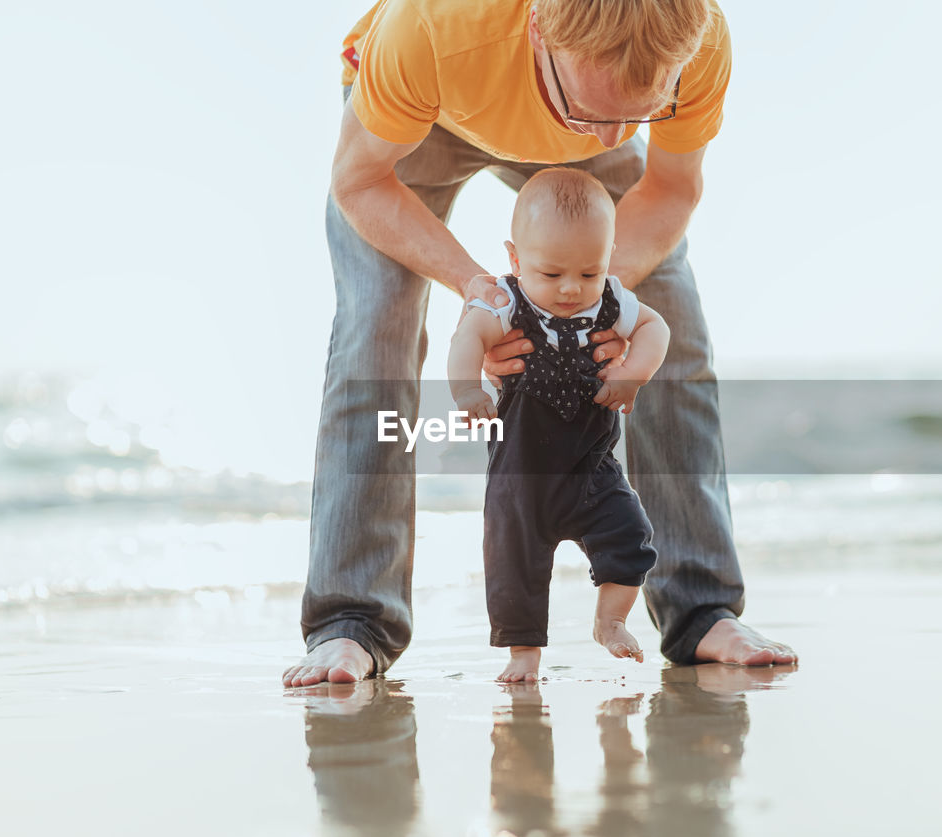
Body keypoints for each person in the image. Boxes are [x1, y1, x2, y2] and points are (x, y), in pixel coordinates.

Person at [282, 0, 798, 688]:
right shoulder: (437, 27)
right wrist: (483, 291)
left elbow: (671, 185)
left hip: (582, 89)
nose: (617, 134)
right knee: (378, 322)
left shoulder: (693, 40)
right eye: (597, 113)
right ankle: (351, 622)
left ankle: (701, 610)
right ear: (538, 30)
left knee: (665, 311)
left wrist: (595, 296)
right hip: (426, 115)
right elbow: (360, 180)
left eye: (640, 114)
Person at [449, 168, 669, 682]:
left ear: (607, 259)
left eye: (588, 273)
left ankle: (610, 622)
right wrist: (465, 390)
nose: (572, 289)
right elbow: (467, 339)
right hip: (521, 477)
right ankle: (523, 655)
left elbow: (656, 327)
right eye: (551, 275)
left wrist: (634, 372)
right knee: (513, 562)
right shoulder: (503, 303)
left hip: (593, 469)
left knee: (630, 536)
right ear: (516, 259)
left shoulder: (612, 301)